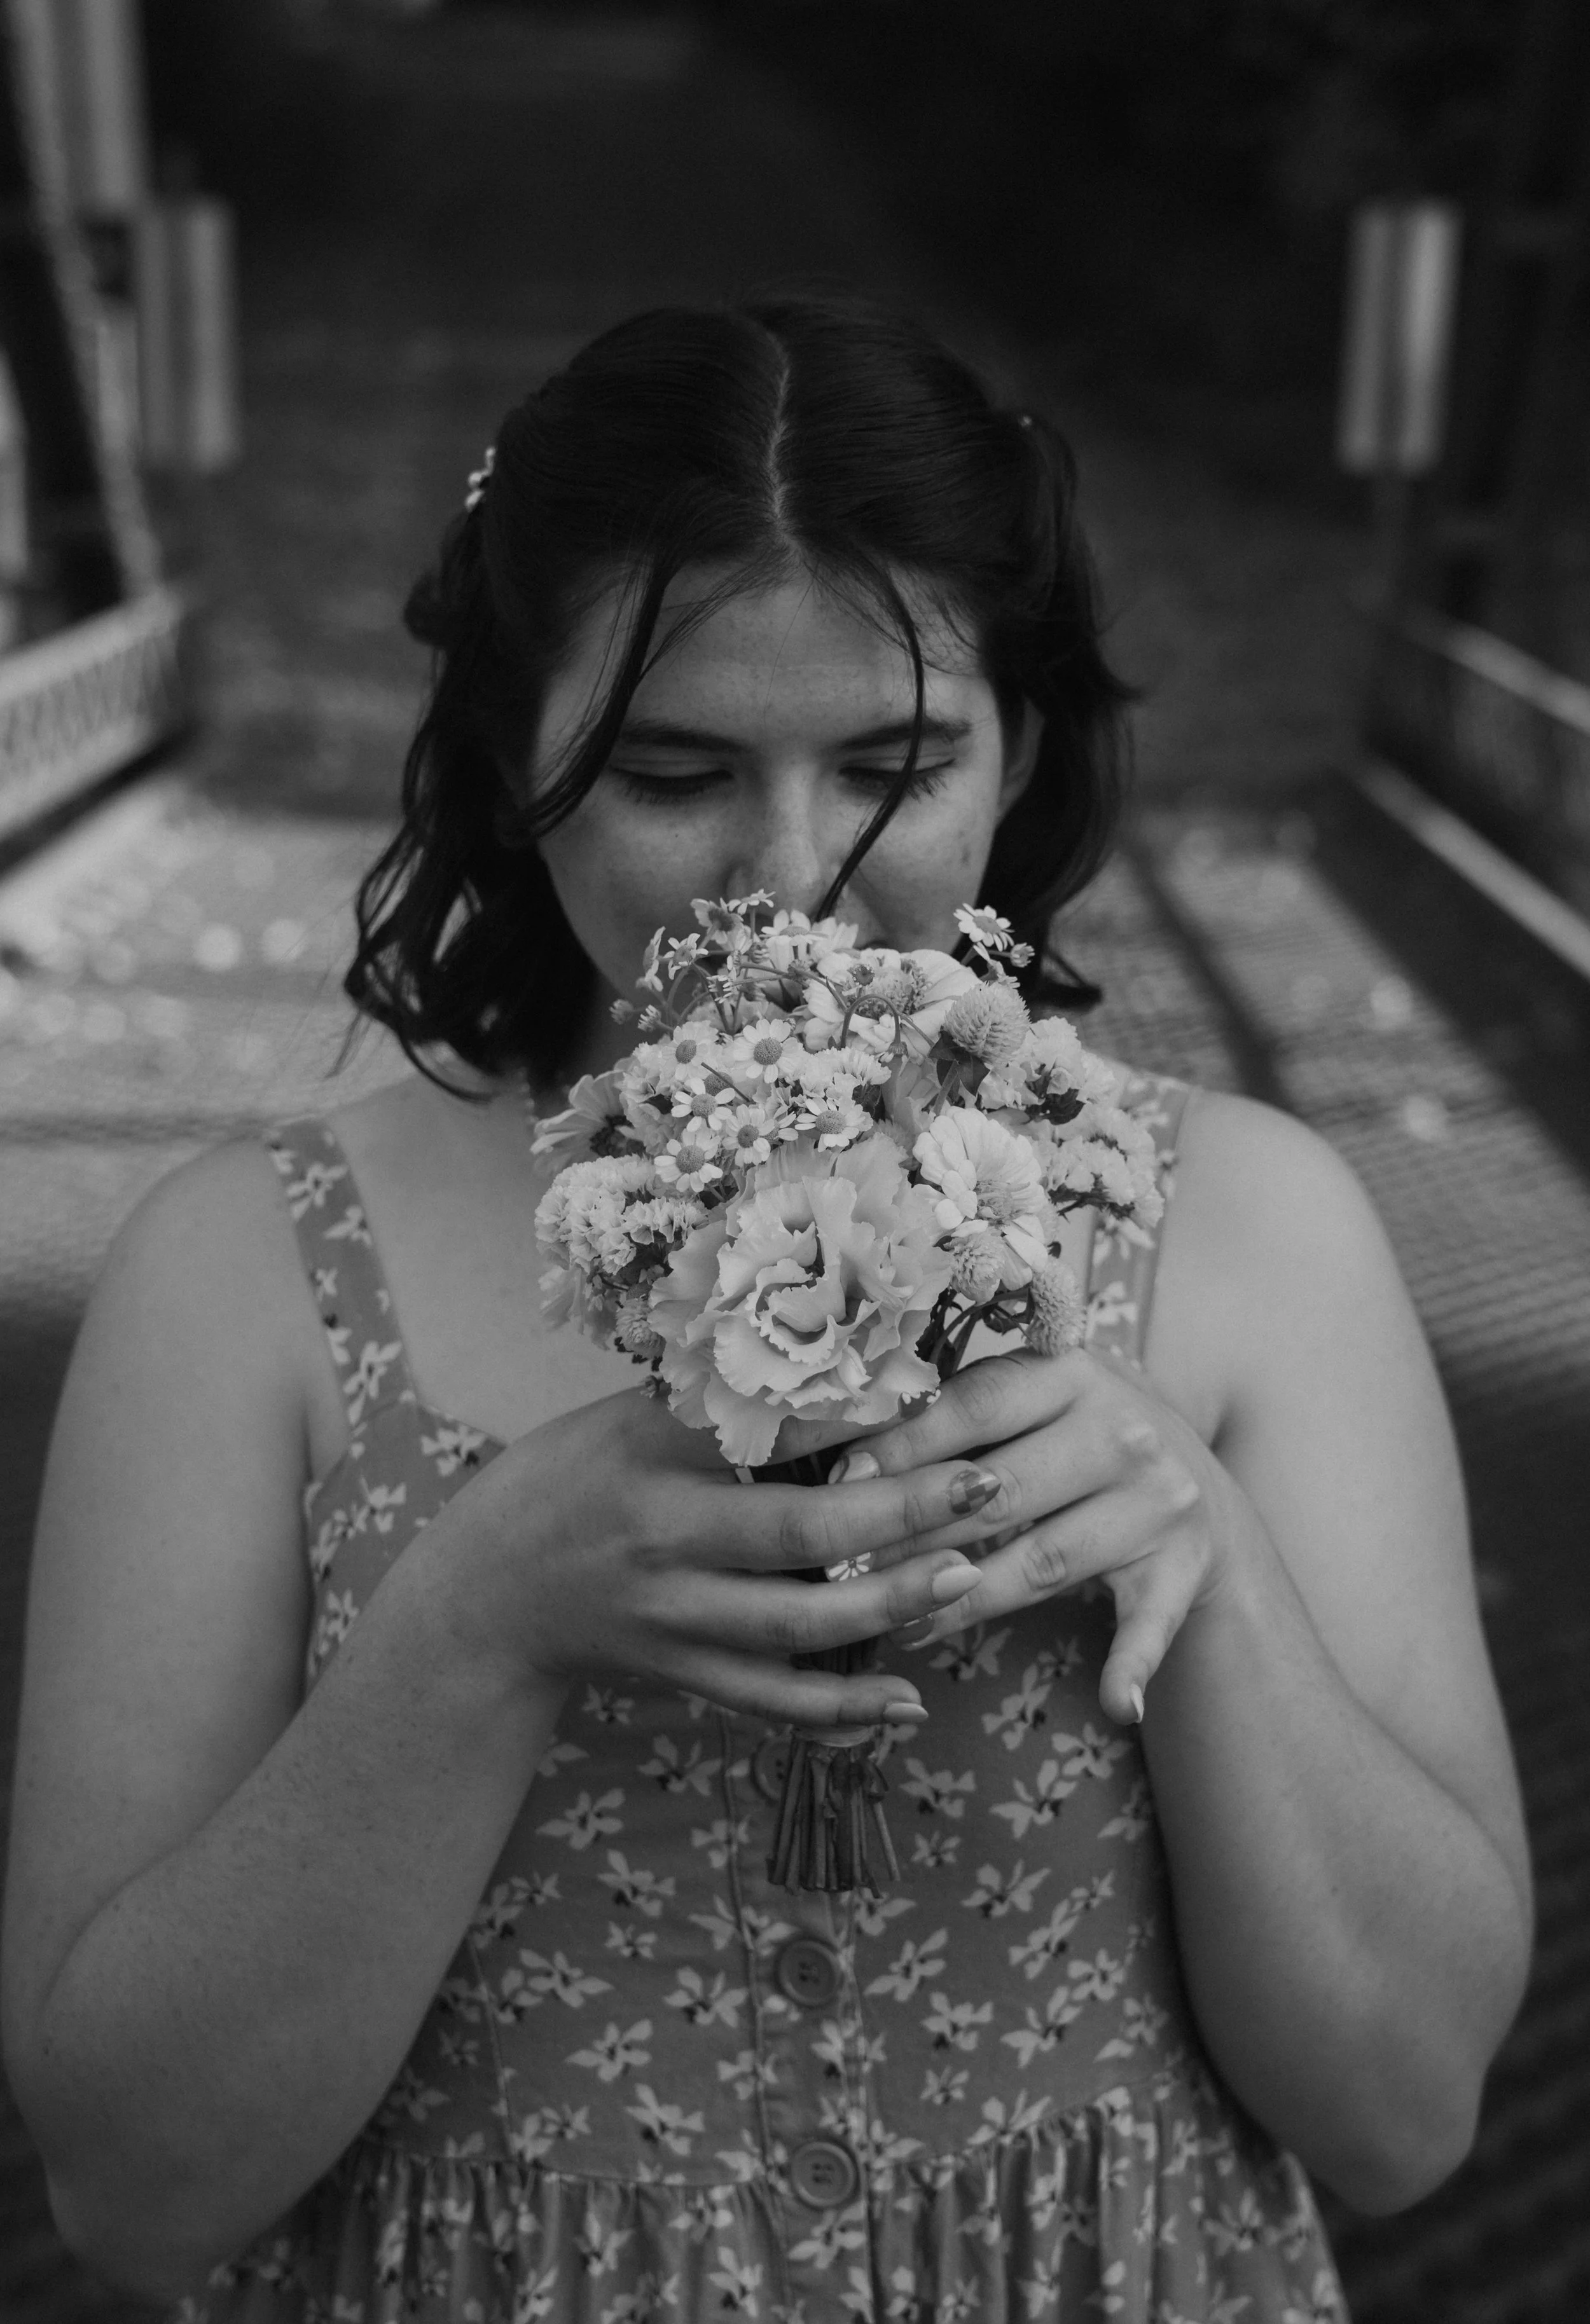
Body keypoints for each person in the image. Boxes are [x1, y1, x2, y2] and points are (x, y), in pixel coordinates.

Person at [2, 299, 1530, 2324]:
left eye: (895, 764)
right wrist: (475, 1621)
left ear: (1024, 748)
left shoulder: (1255, 1228)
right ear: (507, 760)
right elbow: (125, 2187)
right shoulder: (241, 1277)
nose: (788, 876)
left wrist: (1200, 1548)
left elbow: (1402, 2117)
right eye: (672, 768)